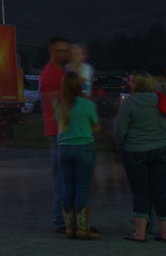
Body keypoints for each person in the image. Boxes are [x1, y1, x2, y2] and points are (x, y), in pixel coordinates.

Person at [115, 71, 166, 242]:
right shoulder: (161, 99)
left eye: (131, 81)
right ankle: (165, 232)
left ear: (137, 83)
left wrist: (120, 144)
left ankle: (140, 233)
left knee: (140, 192)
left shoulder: (129, 103)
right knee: (161, 192)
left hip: (136, 152)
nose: (129, 83)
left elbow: (121, 130)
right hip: (160, 150)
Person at [57, 71, 101, 240]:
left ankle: (69, 227)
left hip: (64, 149)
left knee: (68, 187)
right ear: (79, 86)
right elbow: (96, 126)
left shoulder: (59, 104)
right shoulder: (87, 105)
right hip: (83, 147)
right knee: (82, 188)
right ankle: (82, 228)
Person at [41, 36, 73, 232]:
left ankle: (68, 219)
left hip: (64, 130)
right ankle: (61, 220)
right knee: (62, 177)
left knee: (66, 177)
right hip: (58, 131)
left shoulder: (63, 71)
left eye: (66, 50)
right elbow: (58, 102)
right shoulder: (51, 74)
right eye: (60, 51)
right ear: (52, 52)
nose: (65, 54)